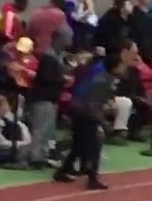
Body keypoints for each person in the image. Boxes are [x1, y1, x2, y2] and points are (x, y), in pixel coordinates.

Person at [54, 54, 126, 190]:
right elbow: (92, 103)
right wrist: (103, 121)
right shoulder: (102, 80)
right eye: (121, 65)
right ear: (114, 67)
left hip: (79, 109)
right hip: (84, 112)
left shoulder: (102, 75)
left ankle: (62, 171)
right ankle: (92, 178)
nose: (123, 68)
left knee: (78, 145)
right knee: (94, 145)